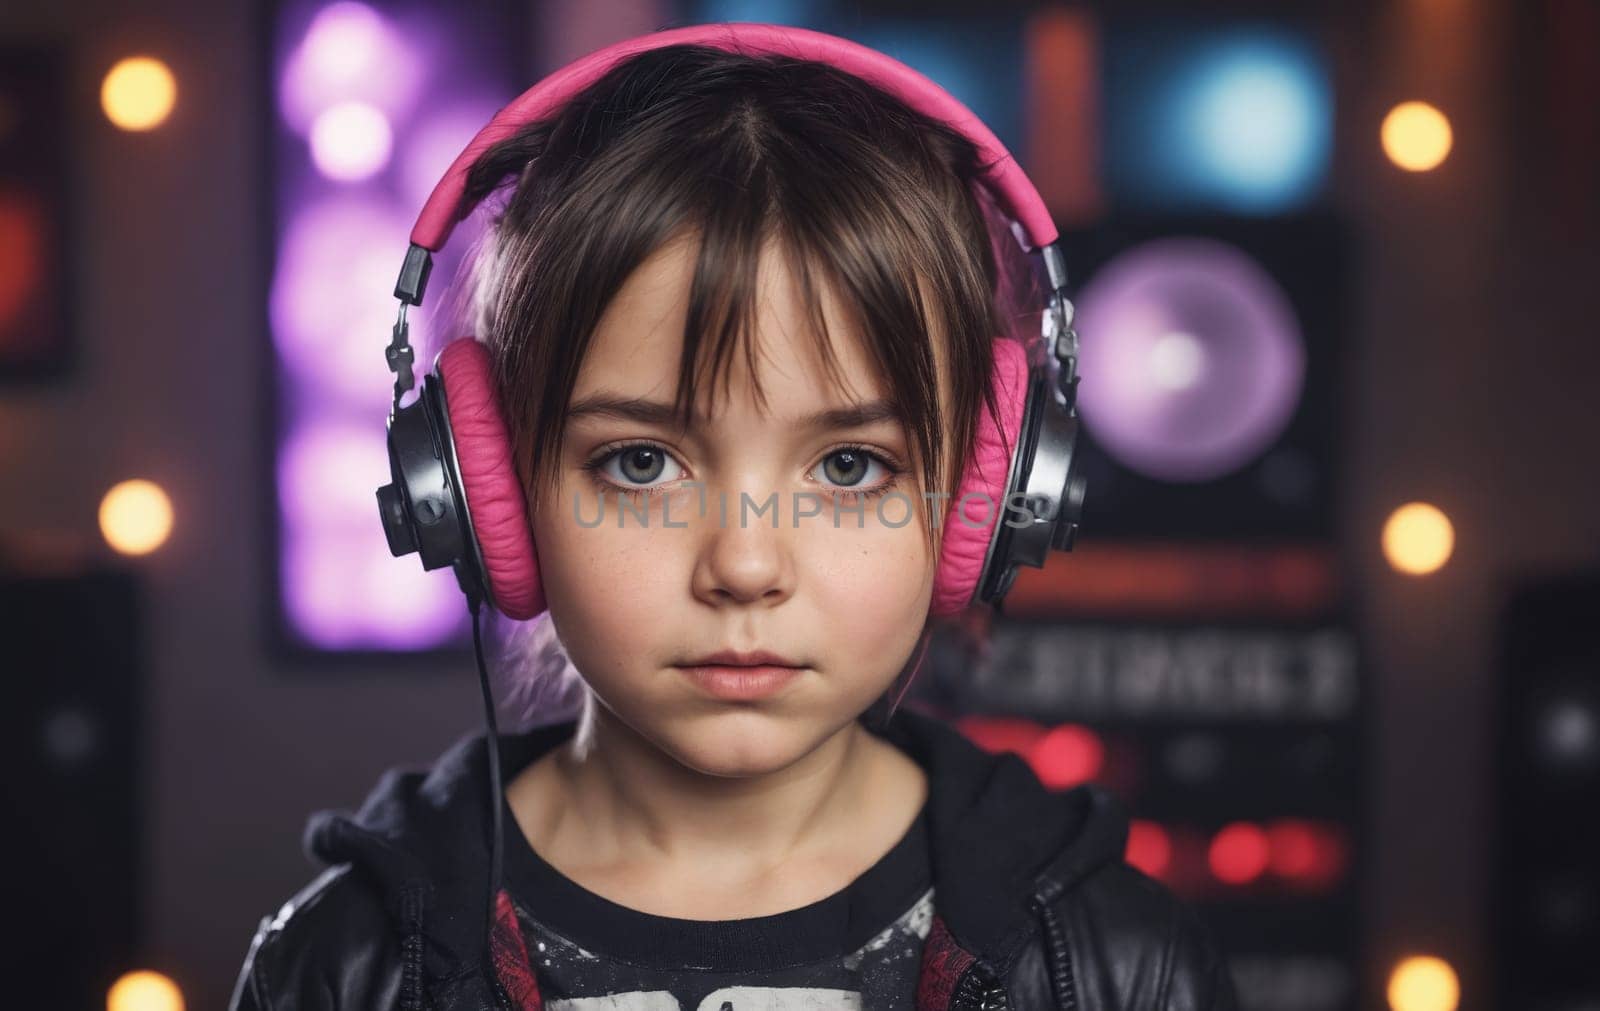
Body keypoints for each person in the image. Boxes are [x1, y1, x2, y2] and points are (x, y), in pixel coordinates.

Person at [230, 24, 1236, 1011]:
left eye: (849, 466)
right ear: (480, 488)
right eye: (640, 462)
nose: (746, 566)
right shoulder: (349, 965)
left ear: (991, 494)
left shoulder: (1113, 962)